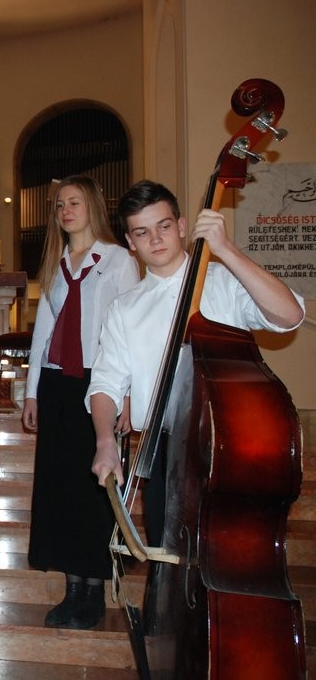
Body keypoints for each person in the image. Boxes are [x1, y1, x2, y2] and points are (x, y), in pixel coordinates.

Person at [88, 181, 305, 532]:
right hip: (162, 450)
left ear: (182, 226)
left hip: (234, 446)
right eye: (142, 232)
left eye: (164, 226)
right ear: (130, 243)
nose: (155, 239)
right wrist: (105, 441)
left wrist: (226, 250)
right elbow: (105, 383)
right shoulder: (124, 309)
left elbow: (289, 316)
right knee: (165, 554)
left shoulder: (224, 281)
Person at [21, 176, 140, 629]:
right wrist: (32, 391)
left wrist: (128, 394)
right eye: (59, 205)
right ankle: (73, 588)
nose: (66, 211)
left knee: (95, 490)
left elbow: (130, 330)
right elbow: (42, 332)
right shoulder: (55, 263)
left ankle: (94, 591)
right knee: (61, 488)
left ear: (92, 206)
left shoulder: (118, 260)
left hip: (99, 383)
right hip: (57, 383)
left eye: (74, 202)